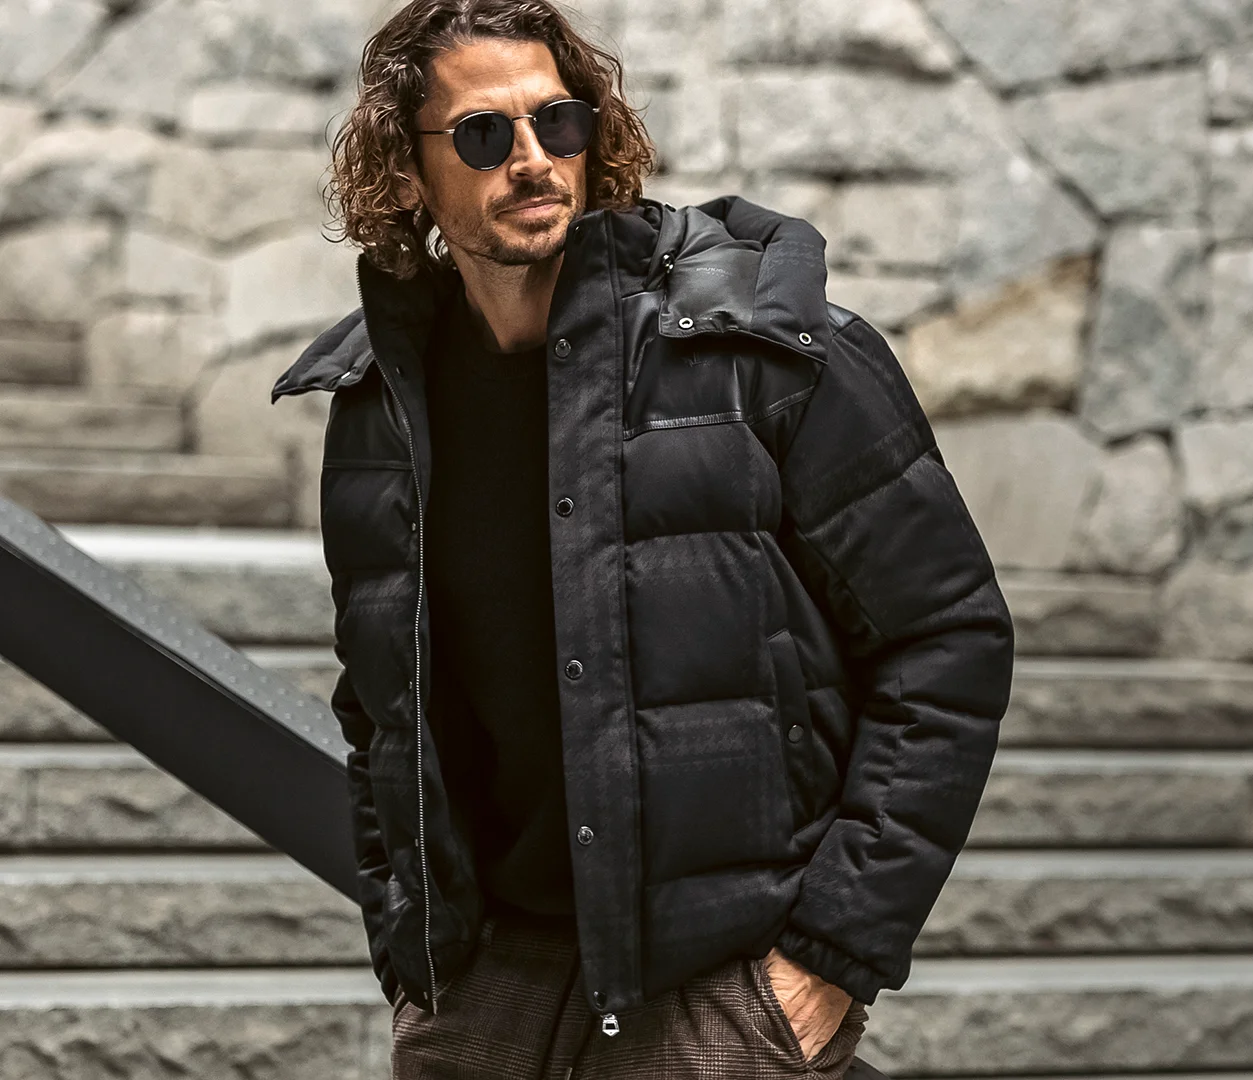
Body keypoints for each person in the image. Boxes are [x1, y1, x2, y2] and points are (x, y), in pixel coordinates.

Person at [269, 1, 1015, 1076]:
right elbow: (380, 704)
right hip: (486, 995)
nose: (533, 159)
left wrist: (832, 954)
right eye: (483, 134)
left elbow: (949, 639)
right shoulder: (384, 402)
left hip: (717, 995)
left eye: (558, 122)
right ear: (405, 174)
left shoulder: (758, 347)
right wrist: (415, 955)